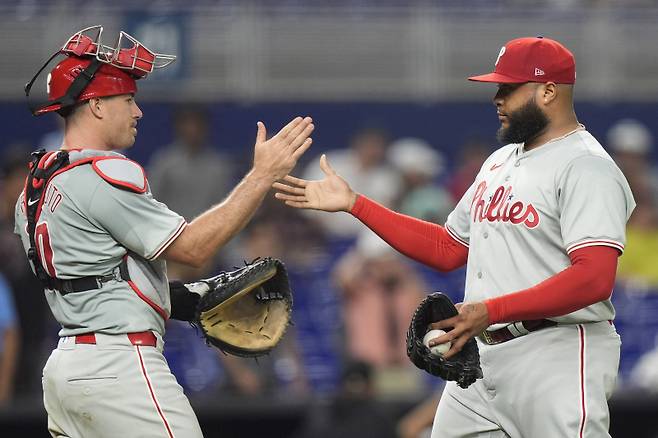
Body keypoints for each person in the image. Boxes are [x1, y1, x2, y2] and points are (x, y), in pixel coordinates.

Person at [274, 36, 634, 437]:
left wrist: (490, 311)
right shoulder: (501, 160)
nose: (497, 98)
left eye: (508, 88)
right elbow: (448, 247)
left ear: (548, 90)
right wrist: (356, 204)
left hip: (557, 355)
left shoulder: (586, 167)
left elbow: (595, 278)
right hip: (484, 360)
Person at [15, 26, 313, 438]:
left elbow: (92, 279)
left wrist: (177, 299)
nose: (137, 112)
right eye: (128, 99)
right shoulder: (103, 173)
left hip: (67, 369)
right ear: (97, 104)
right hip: (120, 368)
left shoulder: (37, 185)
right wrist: (262, 176)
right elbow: (193, 248)